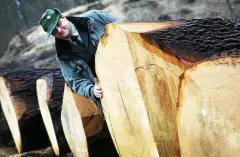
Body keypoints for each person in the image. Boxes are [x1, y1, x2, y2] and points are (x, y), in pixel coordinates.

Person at [39, 8, 120, 111]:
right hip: (109, 95)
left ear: (63, 17)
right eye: (54, 31)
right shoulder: (62, 56)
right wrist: (91, 90)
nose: (59, 30)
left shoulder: (94, 17)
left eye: (58, 24)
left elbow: (123, 29)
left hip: (131, 70)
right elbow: (76, 82)